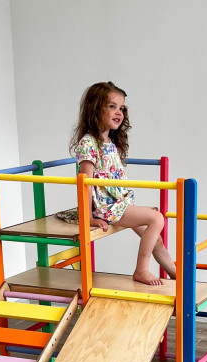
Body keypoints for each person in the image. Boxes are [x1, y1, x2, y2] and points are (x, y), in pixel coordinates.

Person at [58, 81, 176, 286]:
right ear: (95, 109)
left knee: (155, 238)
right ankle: (141, 270)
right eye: (112, 106)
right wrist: (88, 217)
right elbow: (85, 183)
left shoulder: (110, 142)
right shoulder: (89, 143)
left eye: (121, 108)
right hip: (107, 207)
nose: (118, 112)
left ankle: (177, 275)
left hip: (120, 203)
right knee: (156, 218)